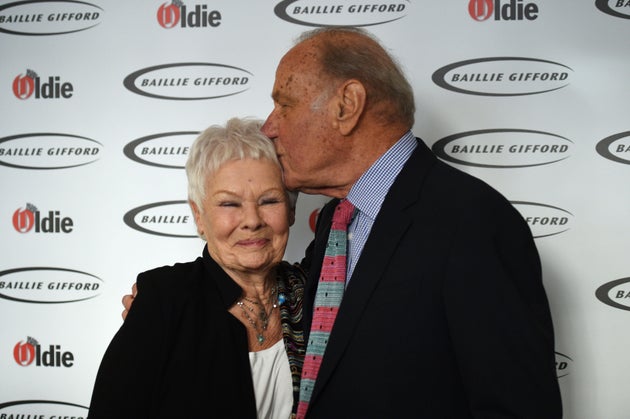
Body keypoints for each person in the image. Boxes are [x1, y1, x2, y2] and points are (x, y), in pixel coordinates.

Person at [124, 27, 563, 418]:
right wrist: (173, 307)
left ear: (347, 105)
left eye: (285, 104)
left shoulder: (473, 221)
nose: (271, 126)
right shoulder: (338, 219)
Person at [89, 117, 305, 419]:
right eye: (230, 204)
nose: (252, 220)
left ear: (291, 210)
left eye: (269, 200)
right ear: (199, 216)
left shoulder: (317, 294)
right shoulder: (163, 300)